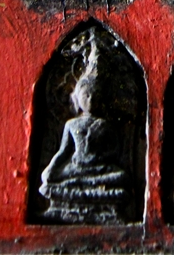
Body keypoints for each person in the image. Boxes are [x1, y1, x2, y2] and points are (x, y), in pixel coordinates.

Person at [40, 63, 132, 223]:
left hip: (98, 168)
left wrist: (98, 156)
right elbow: (63, 152)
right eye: (86, 95)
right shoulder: (71, 124)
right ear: (77, 98)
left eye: (95, 96)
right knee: (47, 179)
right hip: (76, 166)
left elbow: (115, 152)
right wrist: (51, 168)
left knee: (121, 177)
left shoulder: (105, 125)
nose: (90, 99)